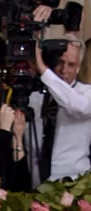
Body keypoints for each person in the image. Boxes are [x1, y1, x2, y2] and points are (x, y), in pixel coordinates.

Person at [28, 36, 91, 183]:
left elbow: (77, 106)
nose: (64, 70)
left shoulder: (86, 93)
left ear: (79, 67)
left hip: (75, 182)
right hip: (37, 185)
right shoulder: (34, 97)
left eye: (71, 65)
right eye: (60, 63)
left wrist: (43, 70)